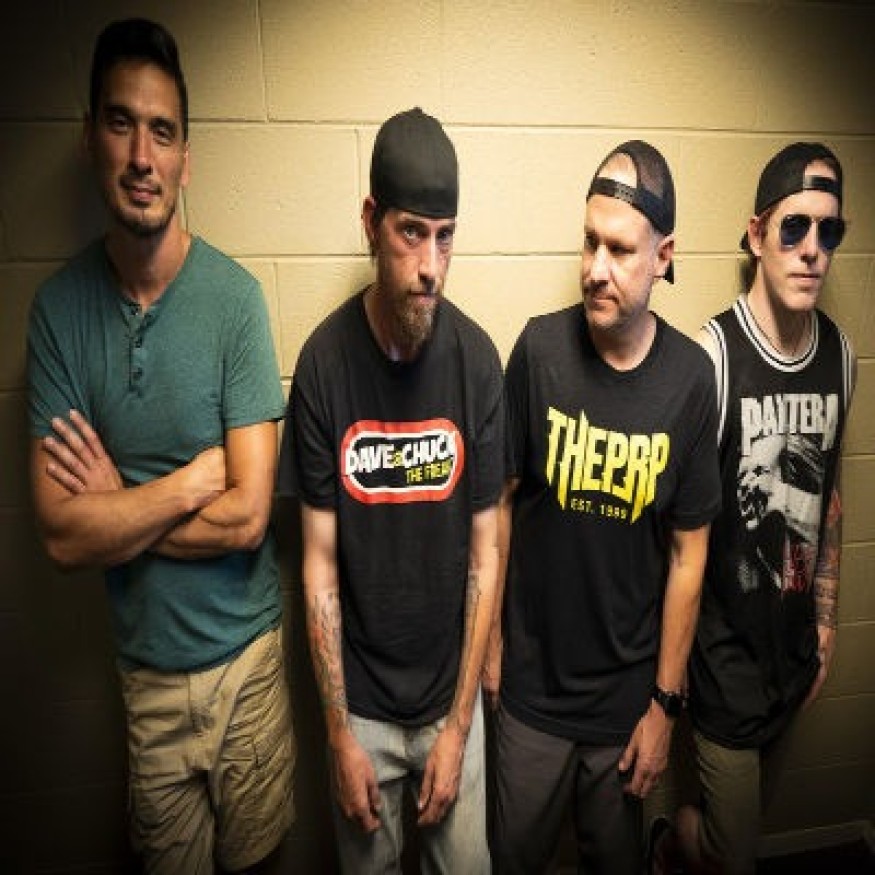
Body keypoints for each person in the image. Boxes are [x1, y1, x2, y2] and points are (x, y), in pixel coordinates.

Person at [27, 18, 294, 874]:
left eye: (162, 131)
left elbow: (248, 517)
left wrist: (117, 507)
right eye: (121, 123)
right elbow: (62, 534)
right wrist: (183, 486)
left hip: (248, 663)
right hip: (145, 676)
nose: (142, 156)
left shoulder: (235, 300)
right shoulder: (57, 313)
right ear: (90, 139)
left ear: (185, 157)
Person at [486, 140, 721, 874]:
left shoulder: (690, 381)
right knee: (512, 859)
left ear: (663, 256)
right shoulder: (538, 350)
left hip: (625, 705)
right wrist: (490, 647)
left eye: (619, 250)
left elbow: (688, 553)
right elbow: (498, 506)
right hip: (530, 692)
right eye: (589, 241)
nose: (594, 267)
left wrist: (663, 706)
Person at [279, 107, 502, 873]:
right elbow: (315, 563)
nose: (430, 264)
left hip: (450, 698)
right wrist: (338, 734)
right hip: (362, 710)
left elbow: (485, 554)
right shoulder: (323, 366)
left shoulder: (476, 363)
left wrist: (459, 724)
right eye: (411, 232)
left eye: (445, 236)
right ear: (371, 221)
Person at [670, 142, 856, 875]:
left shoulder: (840, 356)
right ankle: (670, 836)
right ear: (756, 234)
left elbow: (828, 494)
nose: (812, 250)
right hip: (722, 659)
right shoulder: (713, 357)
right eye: (794, 227)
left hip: (792, 654)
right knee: (734, 851)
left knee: (746, 830)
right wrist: (673, 661)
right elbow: (677, 529)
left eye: (828, 231)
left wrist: (825, 618)